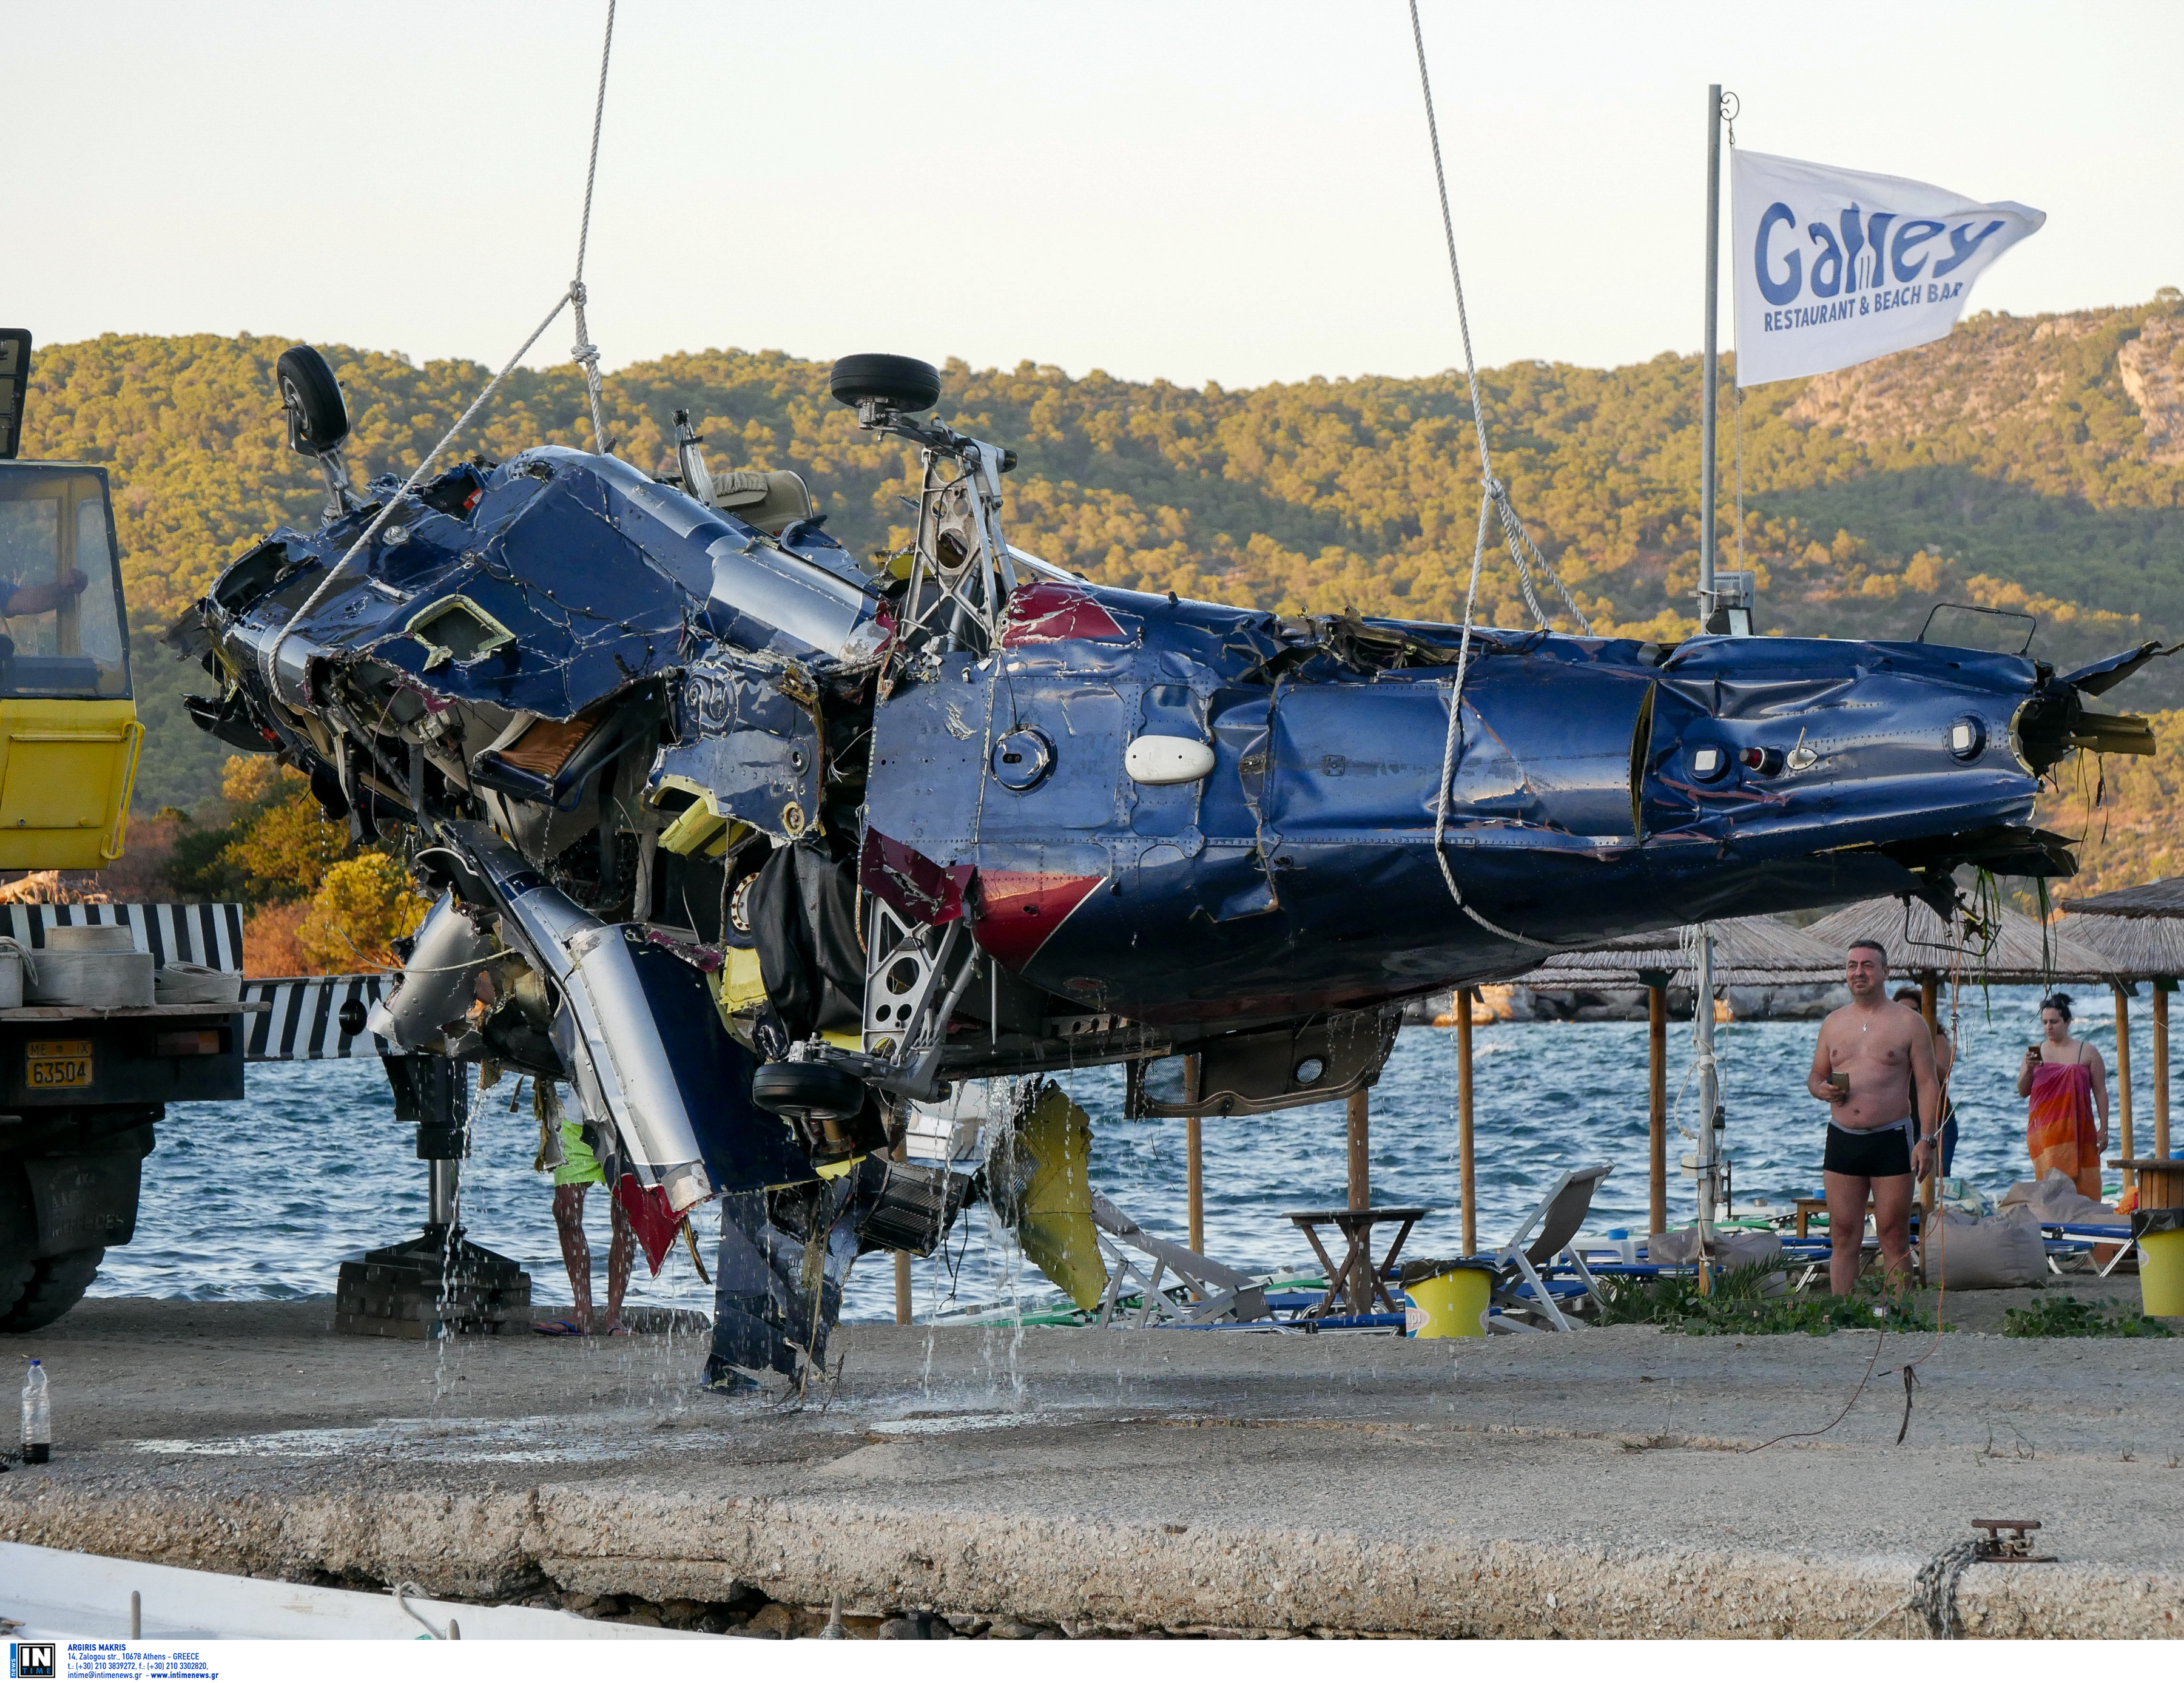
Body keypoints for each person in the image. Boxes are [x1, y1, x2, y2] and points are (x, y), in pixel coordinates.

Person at [1806, 939, 1940, 1293]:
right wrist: (1823, 1091)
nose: (1858, 972)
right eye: (1852, 966)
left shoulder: (1910, 1024)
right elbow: (1816, 1076)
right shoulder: (1834, 1023)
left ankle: (1899, 1315)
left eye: (1867, 965)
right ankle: (1841, 1311)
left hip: (1891, 1136)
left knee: (1893, 1233)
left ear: (1885, 972)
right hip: (1843, 1137)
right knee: (1843, 1232)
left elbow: (1928, 1084)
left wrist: (1927, 1140)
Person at [531, 1087, 634, 1337]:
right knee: (565, 1211)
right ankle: (581, 1312)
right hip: (577, 1124)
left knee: (625, 1216)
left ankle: (614, 1316)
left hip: (628, 1124)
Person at [2017, 991, 2109, 1201]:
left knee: (2085, 1188)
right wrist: (2029, 1070)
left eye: (2054, 1022)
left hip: (2080, 1129)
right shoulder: (2036, 1051)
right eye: (2045, 1022)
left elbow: (2100, 1092)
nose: (2049, 1027)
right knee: (2049, 1190)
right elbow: (2023, 1091)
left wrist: (2104, 1128)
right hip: (2045, 1131)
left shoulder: (2087, 1052)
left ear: (2068, 1022)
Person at [1892, 986, 1959, 1175]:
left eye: (1913, 1011)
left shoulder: (1936, 1039)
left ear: (1923, 1013)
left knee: (1936, 1178)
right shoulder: (1888, 1041)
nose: (1906, 1016)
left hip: (1938, 1121)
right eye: (1900, 1010)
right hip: (1901, 1122)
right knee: (1903, 1181)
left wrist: (1917, 1054)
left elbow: (1943, 1074)